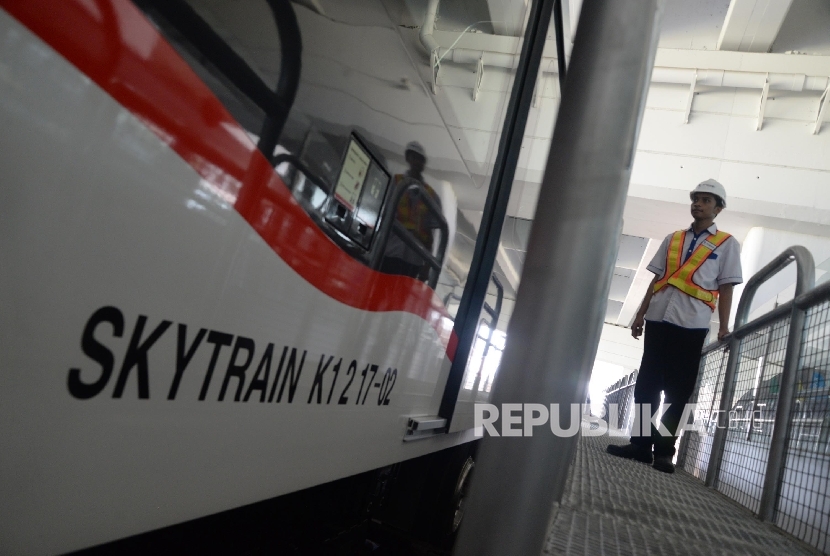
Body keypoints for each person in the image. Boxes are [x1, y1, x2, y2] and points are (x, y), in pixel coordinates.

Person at [607, 179, 743, 473]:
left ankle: (665, 452)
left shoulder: (727, 244)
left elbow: (727, 286)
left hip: (691, 325)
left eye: (707, 200)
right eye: (697, 199)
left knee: (677, 392)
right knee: (646, 388)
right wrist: (640, 314)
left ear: (718, 209)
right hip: (658, 319)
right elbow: (657, 280)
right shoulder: (673, 239)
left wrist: (724, 326)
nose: (699, 204)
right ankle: (640, 445)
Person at [380, 141, 443, 282]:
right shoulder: (395, 182)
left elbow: (430, 236)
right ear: (408, 158)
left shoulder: (431, 196)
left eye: (420, 159)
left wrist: (426, 266)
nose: (417, 162)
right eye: (414, 157)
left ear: (424, 162)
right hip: (390, 252)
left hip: (414, 259)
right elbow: (382, 218)